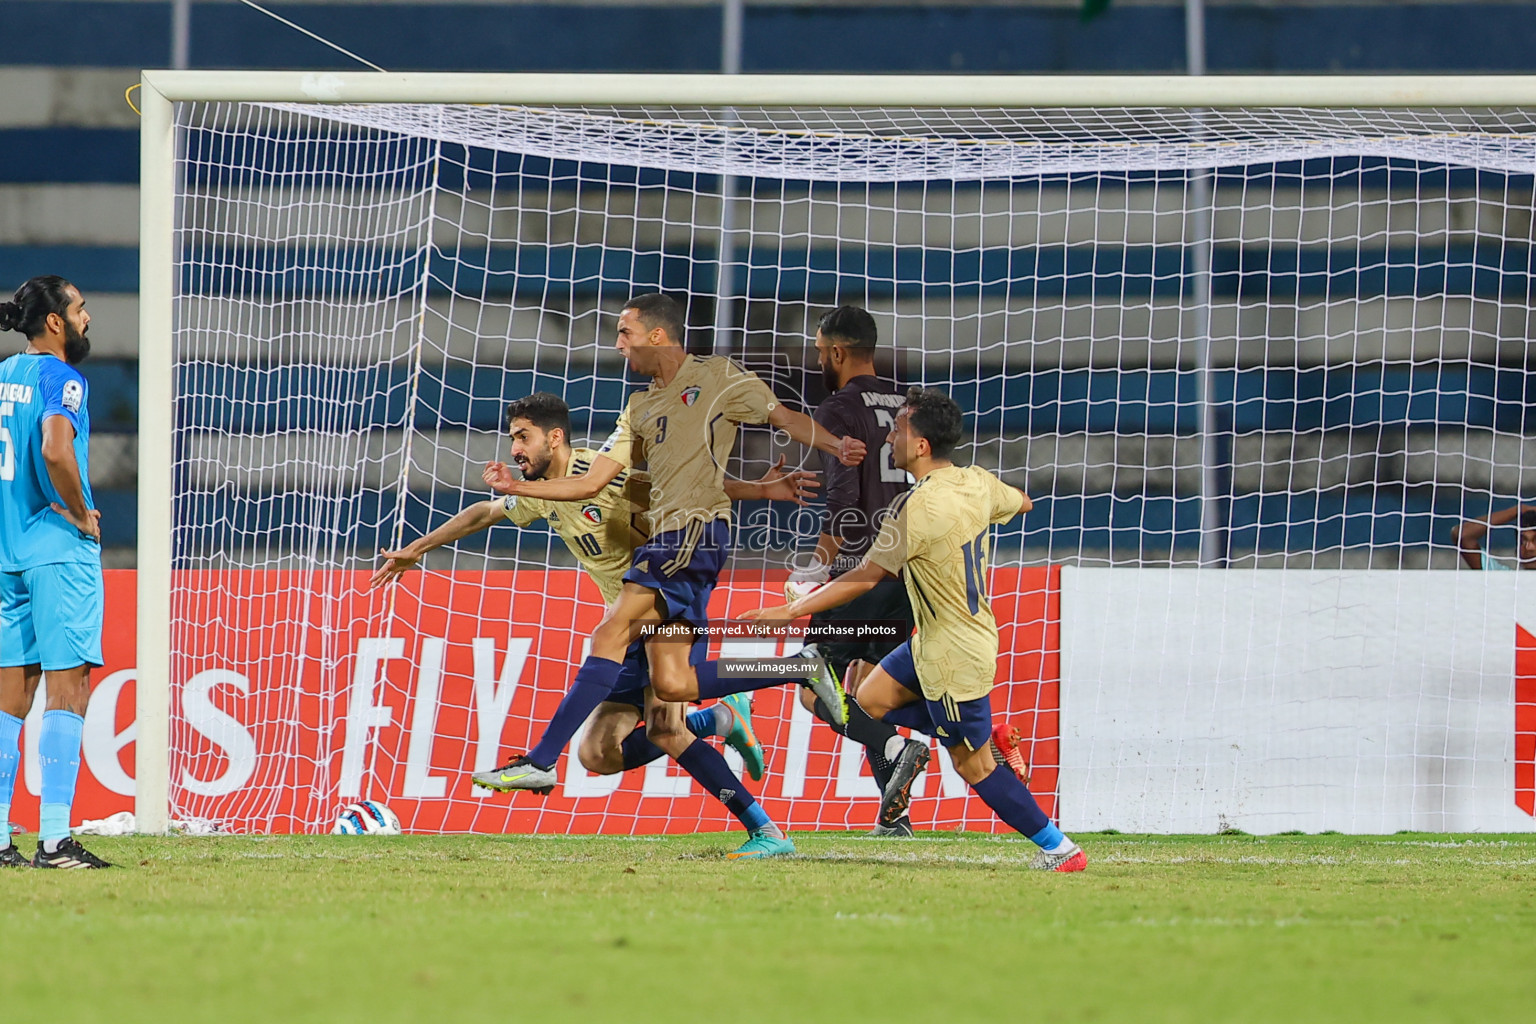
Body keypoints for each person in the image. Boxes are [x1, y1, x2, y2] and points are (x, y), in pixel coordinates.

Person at [478, 293, 865, 858]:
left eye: (624, 332)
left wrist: (836, 445)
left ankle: (538, 762)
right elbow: (591, 483)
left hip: (692, 535)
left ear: (656, 335)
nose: (617, 344)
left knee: (609, 633)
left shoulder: (717, 378)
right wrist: (520, 489)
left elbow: (781, 416)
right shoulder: (638, 408)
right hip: (671, 542)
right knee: (674, 697)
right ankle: (771, 810)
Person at [370, 392, 818, 786]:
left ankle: (544, 761)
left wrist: (760, 489)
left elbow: (677, 490)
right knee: (598, 754)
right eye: (513, 439)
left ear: (555, 438)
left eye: (523, 437)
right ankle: (722, 716)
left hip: (666, 606)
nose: (514, 449)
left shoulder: (598, 473)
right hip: (626, 622)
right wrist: (417, 549)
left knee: (666, 725)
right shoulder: (540, 490)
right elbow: (485, 512)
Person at [743, 388, 1087, 872]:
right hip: (932, 638)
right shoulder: (976, 482)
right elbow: (1024, 502)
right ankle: (985, 734)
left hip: (953, 653)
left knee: (972, 765)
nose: (890, 435)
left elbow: (865, 576)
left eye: (899, 428)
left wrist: (790, 612)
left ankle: (1060, 849)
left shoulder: (917, 508)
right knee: (867, 702)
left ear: (921, 445)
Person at [787, 305, 923, 837]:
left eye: (821, 352)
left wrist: (818, 571)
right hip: (904, 568)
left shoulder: (838, 408)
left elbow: (843, 503)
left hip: (858, 571)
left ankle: (897, 746)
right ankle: (896, 816)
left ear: (838, 352)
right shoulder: (906, 402)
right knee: (867, 689)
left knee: (809, 684)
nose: (819, 360)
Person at [0, 276, 110, 869]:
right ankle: (54, 840)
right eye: (80, 309)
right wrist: (78, 513)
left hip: (6, 552)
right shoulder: (60, 379)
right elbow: (54, 449)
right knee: (69, 688)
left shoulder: (3, 376)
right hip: (56, 550)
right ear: (54, 323)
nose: (87, 317)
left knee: (9, 696)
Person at [1450, 504, 1536, 570]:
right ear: (1516, 552)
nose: (1529, 548)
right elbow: (1462, 535)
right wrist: (1519, 510)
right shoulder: (1505, 582)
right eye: (1522, 541)